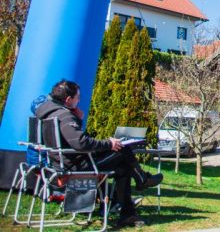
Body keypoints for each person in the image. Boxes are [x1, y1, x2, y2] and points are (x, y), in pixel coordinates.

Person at [35, 79, 163, 228]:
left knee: (123, 167)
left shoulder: (49, 113)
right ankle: (141, 181)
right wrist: (109, 144)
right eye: (77, 98)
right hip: (78, 167)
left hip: (63, 163)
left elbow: (71, 140)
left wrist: (78, 120)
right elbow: (80, 143)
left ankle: (129, 212)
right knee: (123, 148)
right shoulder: (64, 116)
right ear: (68, 99)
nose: (79, 100)